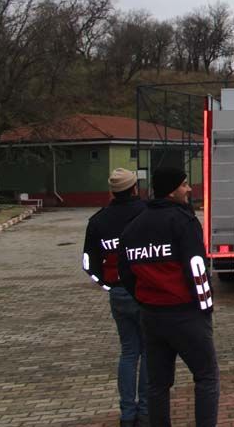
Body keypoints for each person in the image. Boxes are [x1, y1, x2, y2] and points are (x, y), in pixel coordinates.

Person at [118, 168, 219, 427]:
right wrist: (206, 307)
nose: (189, 189)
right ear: (172, 190)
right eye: (184, 184)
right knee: (206, 377)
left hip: (151, 316)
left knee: (157, 384)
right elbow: (197, 268)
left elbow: (125, 273)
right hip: (186, 314)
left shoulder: (133, 227)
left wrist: (144, 300)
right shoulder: (184, 222)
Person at [82, 168, 149, 427]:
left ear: (112, 192)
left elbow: (89, 263)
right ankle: (145, 411)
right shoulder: (146, 213)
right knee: (149, 351)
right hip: (145, 291)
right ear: (135, 189)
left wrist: (108, 285)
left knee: (129, 352)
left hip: (119, 292)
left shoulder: (98, 220)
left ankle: (127, 414)